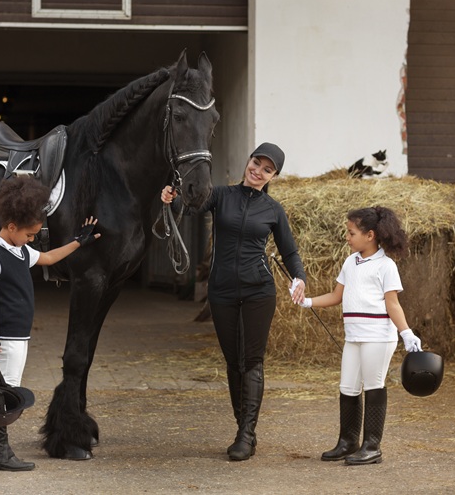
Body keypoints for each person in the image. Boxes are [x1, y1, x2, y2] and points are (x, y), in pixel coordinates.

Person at [161, 142, 307, 461]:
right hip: (222, 290)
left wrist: (300, 277)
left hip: (259, 291)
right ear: (248, 161)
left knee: (251, 360)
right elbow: (189, 207)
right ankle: (243, 426)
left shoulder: (273, 210)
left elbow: (290, 252)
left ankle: (246, 434)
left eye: (267, 169)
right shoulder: (221, 195)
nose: (258, 171)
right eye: (256, 163)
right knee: (232, 361)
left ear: (274, 176)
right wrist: (171, 199)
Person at [0, 176, 100, 471]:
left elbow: (47, 257)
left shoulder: (20, 250)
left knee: (0, 388)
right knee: (7, 392)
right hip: (5, 336)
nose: (33, 239)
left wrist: (77, 242)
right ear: (11, 228)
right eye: (30, 234)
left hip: (20, 335)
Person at [296, 206, 422, 465]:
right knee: (348, 387)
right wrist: (306, 301)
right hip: (353, 336)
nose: (347, 236)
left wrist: (406, 332)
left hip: (377, 336)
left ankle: (372, 446)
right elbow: (336, 296)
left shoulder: (386, 266)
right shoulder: (349, 262)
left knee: (374, 386)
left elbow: (393, 304)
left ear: (370, 235)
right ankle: (348, 442)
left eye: (351, 232)